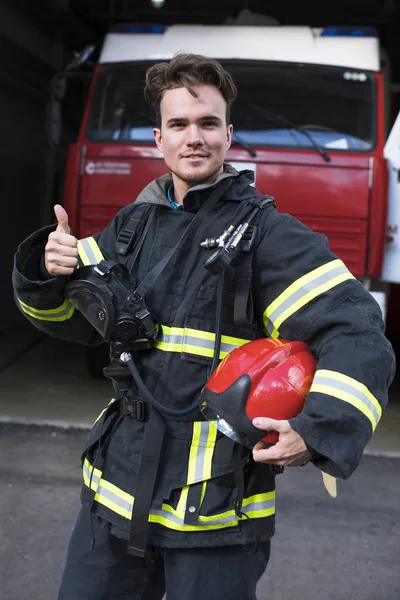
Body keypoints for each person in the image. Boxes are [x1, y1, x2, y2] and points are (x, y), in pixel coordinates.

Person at [12, 53, 395, 600]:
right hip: (112, 501)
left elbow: (357, 335)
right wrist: (47, 273)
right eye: (179, 125)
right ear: (159, 139)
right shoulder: (132, 227)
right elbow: (73, 319)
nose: (194, 137)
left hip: (216, 516)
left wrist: (317, 429)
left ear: (229, 135)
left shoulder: (270, 236)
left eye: (208, 123)